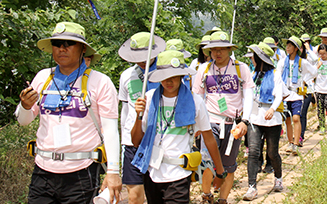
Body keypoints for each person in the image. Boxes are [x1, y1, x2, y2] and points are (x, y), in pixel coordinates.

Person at [16, 22, 121, 203]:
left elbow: (110, 130)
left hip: (81, 172)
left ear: (82, 48)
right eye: (57, 44)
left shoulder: (100, 82)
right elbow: (23, 121)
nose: (62, 49)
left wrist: (113, 172)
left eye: (68, 44)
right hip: (43, 171)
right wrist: (25, 106)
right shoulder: (43, 78)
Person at [131, 50, 226, 203]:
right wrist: (138, 116)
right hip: (152, 172)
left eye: (174, 76)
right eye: (165, 77)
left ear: (182, 75)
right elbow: (136, 141)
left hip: (179, 175)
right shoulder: (148, 99)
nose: (169, 81)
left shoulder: (195, 101)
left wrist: (220, 171)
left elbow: (208, 138)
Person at [192, 31, 254, 204]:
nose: (217, 53)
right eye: (213, 50)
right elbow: (196, 96)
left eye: (221, 49)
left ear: (229, 49)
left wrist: (245, 121)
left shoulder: (241, 69)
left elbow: (249, 95)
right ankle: (206, 195)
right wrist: (196, 124)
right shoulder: (203, 70)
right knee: (207, 160)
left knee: (229, 164)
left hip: (232, 123)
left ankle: (223, 199)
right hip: (209, 122)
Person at [118, 32, 166, 204]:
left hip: (157, 142)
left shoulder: (164, 75)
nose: (141, 60)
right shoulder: (126, 76)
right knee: (134, 196)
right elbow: (125, 110)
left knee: (156, 195)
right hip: (133, 142)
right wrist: (124, 139)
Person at [242, 43, 285, 201]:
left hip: (271, 118)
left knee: (272, 153)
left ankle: (278, 178)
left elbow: (279, 95)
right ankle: (252, 187)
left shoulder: (275, 74)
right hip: (255, 117)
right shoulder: (252, 74)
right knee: (253, 151)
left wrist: (272, 109)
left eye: (254, 56)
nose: (251, 59)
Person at [278, 36, 317, 155]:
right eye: (287, 45)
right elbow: (278, 76)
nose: (287, 48)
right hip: (285, 94)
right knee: (287, 119)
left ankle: (296, 143)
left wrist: (304, 80)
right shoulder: (282, 62)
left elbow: (314, 72)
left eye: (290, 46)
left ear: (296, 48)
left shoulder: (302, 62)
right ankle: (290, 142)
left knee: (296, 118)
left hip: (297, 94)